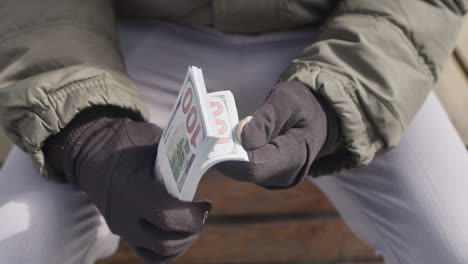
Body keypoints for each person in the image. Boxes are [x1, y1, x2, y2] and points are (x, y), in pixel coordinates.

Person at [0, 0, 467, 263]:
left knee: (457, 243)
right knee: (19, 243)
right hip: (117, 47)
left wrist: (339, 97)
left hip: (344, 43)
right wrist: (87, 128)